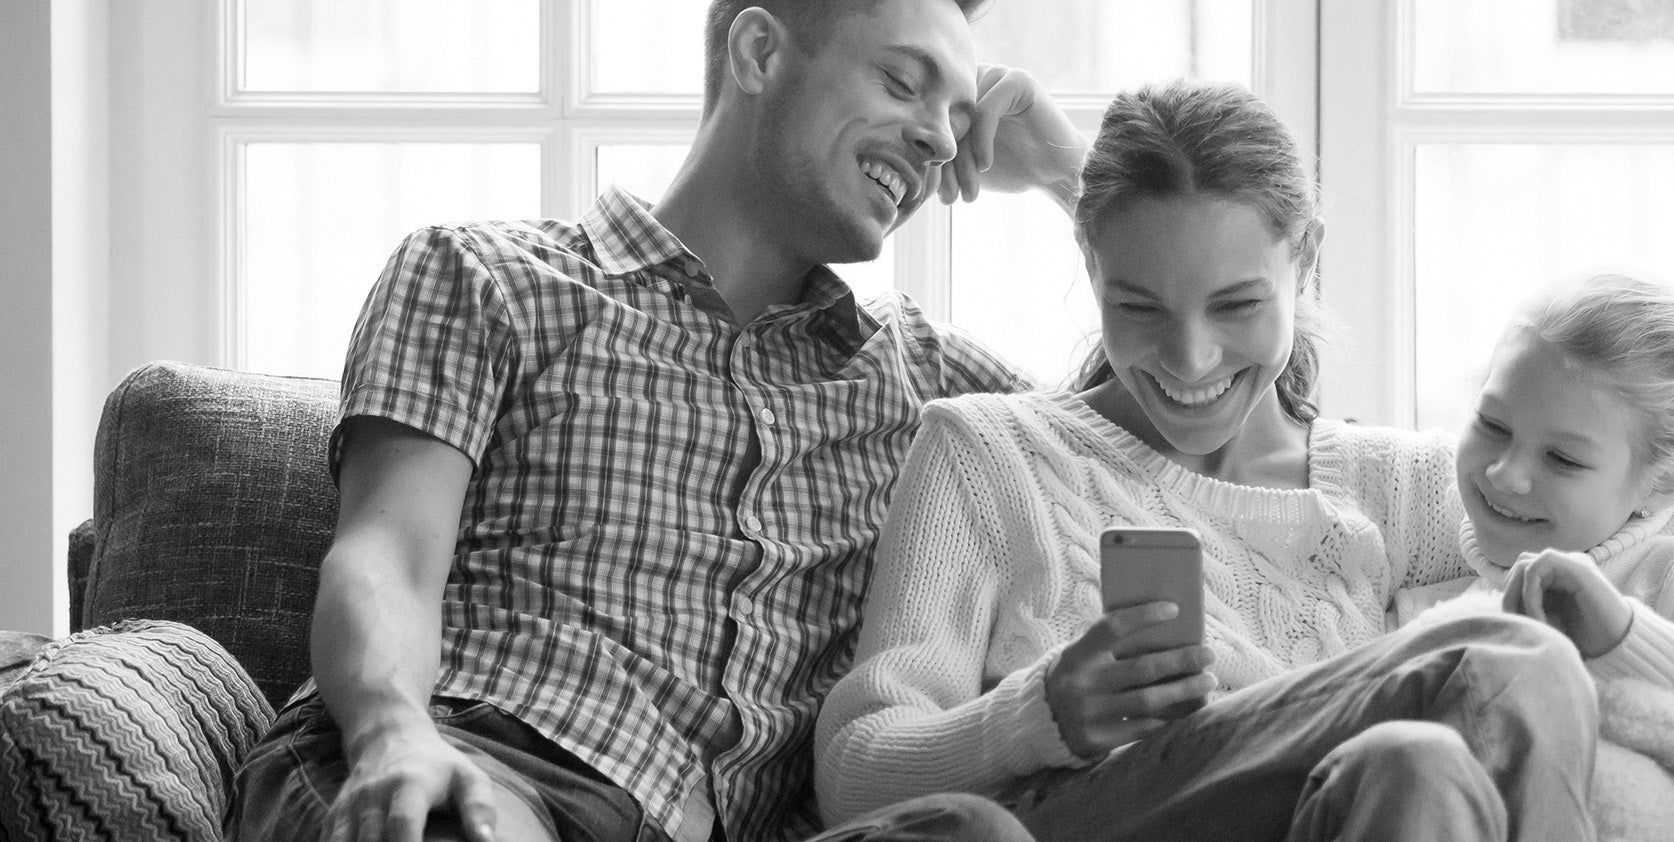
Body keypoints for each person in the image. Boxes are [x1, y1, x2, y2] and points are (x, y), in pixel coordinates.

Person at [226, 1, 1084, 840]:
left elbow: (1175, 410)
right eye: (903, 81)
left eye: (958, 116)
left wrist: (1067, 175)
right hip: (484, 759)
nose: (940, 139)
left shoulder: (921, 383)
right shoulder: (488, 276)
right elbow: (387, 554)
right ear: (758, 52)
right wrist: (392, 734)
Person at [815, 79, 1601, 842]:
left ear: (1307, 259)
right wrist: (1035, 717)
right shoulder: (990, 455)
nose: (1190, 361)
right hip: (1081, 819)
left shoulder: (1399, 486)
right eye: (1138, 307)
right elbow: (852, 775)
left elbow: (1649, 527)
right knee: (1514, 660)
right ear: (1090, 268)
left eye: (1237, 305)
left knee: (1417, 760)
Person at [1390, 273, 1674, 839]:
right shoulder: (1431, 601)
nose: (1505, 473)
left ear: (1660, 483)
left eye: (1562, 459)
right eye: (1492, 424)